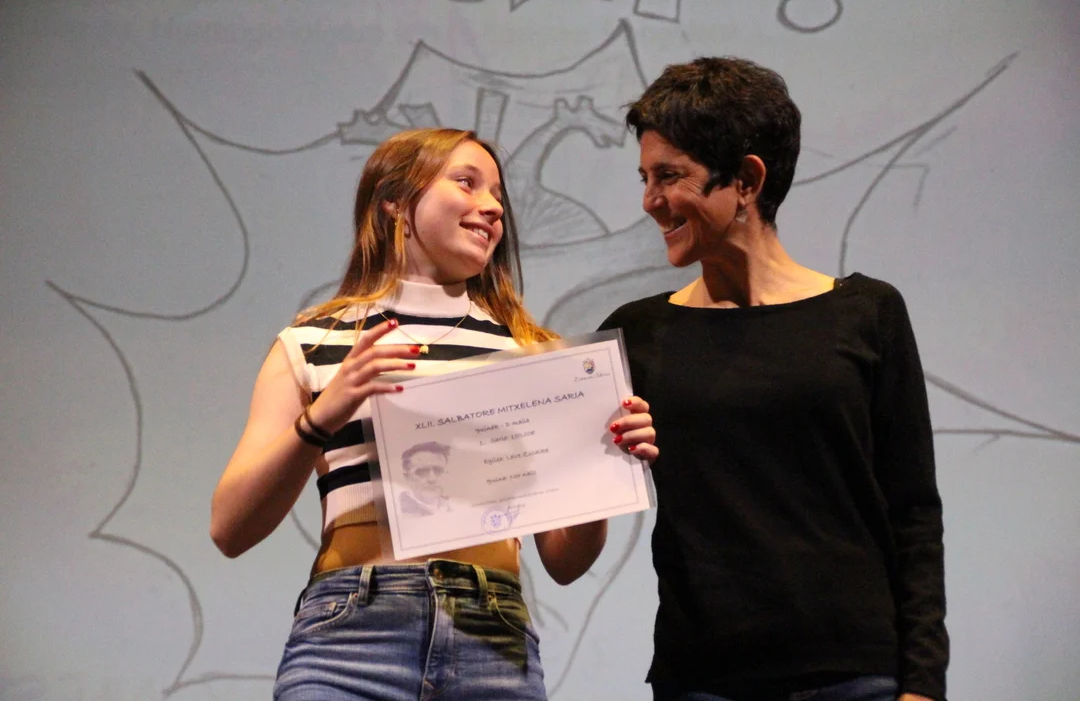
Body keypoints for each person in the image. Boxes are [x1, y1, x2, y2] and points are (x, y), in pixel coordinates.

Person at [210, 127, 658, 701]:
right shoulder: (314, 343)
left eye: (498, 195)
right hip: (351, 640)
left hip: (491, 638)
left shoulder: (533, 354)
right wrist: (322, 417)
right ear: (395, 201)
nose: (492, 207)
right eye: (467, 183)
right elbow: (231, 529)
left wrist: (600, 470)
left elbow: (564, 562)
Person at [599, 58, 948, 701]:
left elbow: (913, 512)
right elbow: (572, 521)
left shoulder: (868, 313)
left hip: (854, 677)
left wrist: (922, 683)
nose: (650, 201)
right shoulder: (635, 334)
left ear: (747, 180)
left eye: (669, 176)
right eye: (645, 178)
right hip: (703, 679)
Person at [398, 441, 452, 516]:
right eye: (422, 472)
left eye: (438, 470)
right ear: (407, 477)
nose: (432, 479)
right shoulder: (397, 511)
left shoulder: (456, 508)